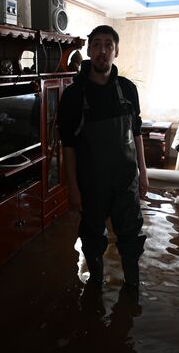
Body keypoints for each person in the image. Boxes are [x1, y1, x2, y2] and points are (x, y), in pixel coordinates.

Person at [57, 25, 149, 289]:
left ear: (116, 50)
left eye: (108, 45)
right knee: (92, 237)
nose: (102, 51)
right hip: (91, 183)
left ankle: (132, 287)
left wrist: (143, 173)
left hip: (125, 181)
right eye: (97, 44)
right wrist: (73, 188)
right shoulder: (74, 95)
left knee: (131, 235)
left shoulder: (128, 89)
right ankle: (95, 283)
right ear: (88, 50)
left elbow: (137, 131)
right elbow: (68, 145)